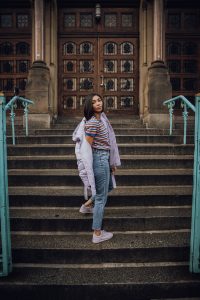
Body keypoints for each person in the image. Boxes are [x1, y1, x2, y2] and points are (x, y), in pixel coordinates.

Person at [72, 93, 121, 243]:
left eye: (99, 100)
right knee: (101, 197)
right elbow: (87, 147)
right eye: (94, 102)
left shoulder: (102, 120)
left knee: (108, 188)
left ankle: (87, 205)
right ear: (89, 106)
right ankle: (97, 233)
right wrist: (95, 164)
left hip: (104, 158)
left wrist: (111, 163)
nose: (98, 103)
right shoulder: (93, 122)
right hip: (99, 159)